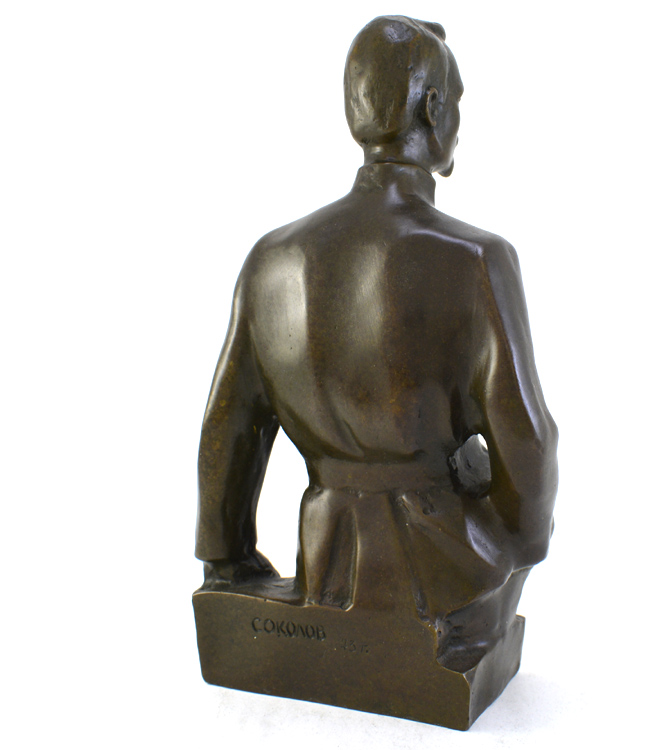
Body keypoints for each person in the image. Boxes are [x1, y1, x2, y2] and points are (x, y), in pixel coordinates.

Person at [195, 16, 558, 668]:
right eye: (457, 103)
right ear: (433, 108)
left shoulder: (271, 259)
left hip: (324, 561)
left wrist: (225, 560)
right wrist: (520, 547)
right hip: (447, 575)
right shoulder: (477, 258)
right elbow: (528, 442)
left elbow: (229, 427)